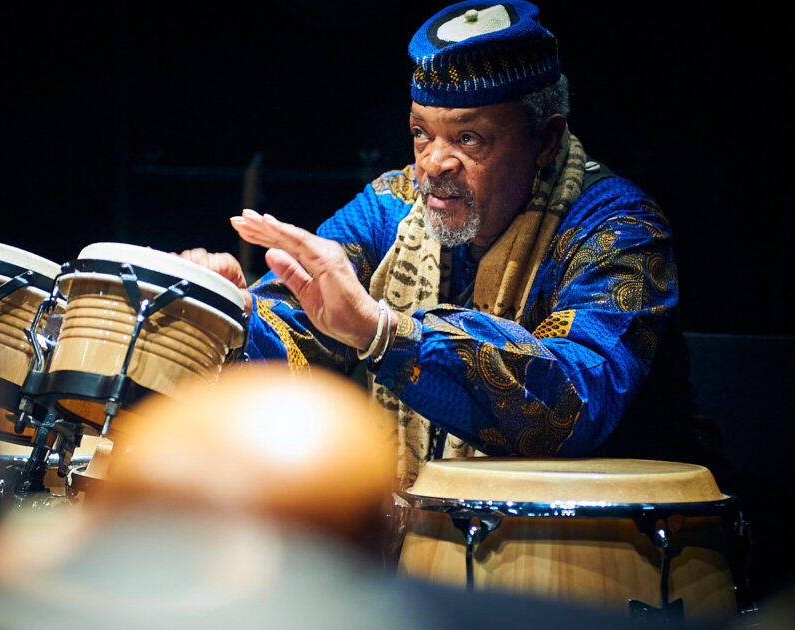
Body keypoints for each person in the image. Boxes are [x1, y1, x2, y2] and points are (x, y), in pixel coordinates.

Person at [183, 0, 720, 487]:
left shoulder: (617, 227)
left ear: (545, 140)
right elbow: (299, 327)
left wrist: (382, 333)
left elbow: (571, 403)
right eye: (422, 133)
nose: (433, 165)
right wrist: (219, 311)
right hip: (428, 544)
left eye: (468, 139)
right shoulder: (389, 207)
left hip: (611, 565)